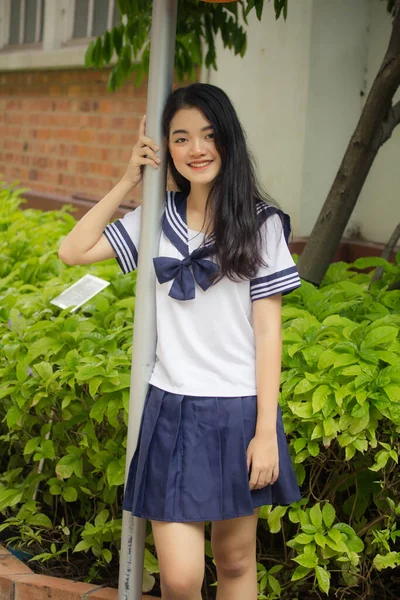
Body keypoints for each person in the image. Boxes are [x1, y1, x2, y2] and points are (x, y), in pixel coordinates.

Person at [58, 83, 301, 600]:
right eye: (182, 137)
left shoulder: (260, 225)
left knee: (235, 562)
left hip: (239, 410)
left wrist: (264, 431)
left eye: (209, 135)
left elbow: (268, 331)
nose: (197, 149)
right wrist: (128, 180)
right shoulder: (155, 219)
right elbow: (73, 251)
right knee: (181, 577)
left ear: (228, 142)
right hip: (173, 408)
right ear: (166, 148)